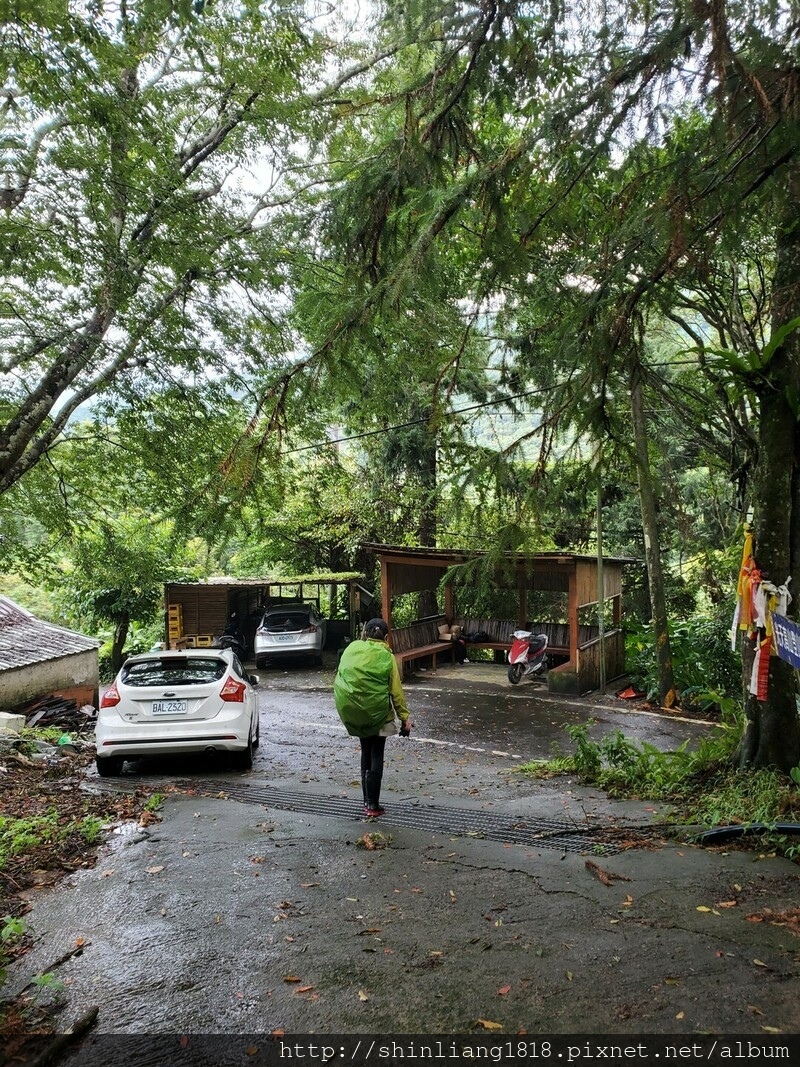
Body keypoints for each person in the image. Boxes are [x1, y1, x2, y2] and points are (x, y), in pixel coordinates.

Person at [333, 617, 413, 818]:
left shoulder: (352, 649)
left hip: (356, 713)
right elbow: (396, 692)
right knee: (376, 754)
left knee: (365, 754)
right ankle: (373, 805)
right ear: (386, 637)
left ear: (365, 634)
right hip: (378, 715)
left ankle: (365, 802)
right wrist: (405, 718)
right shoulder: (387, 657)